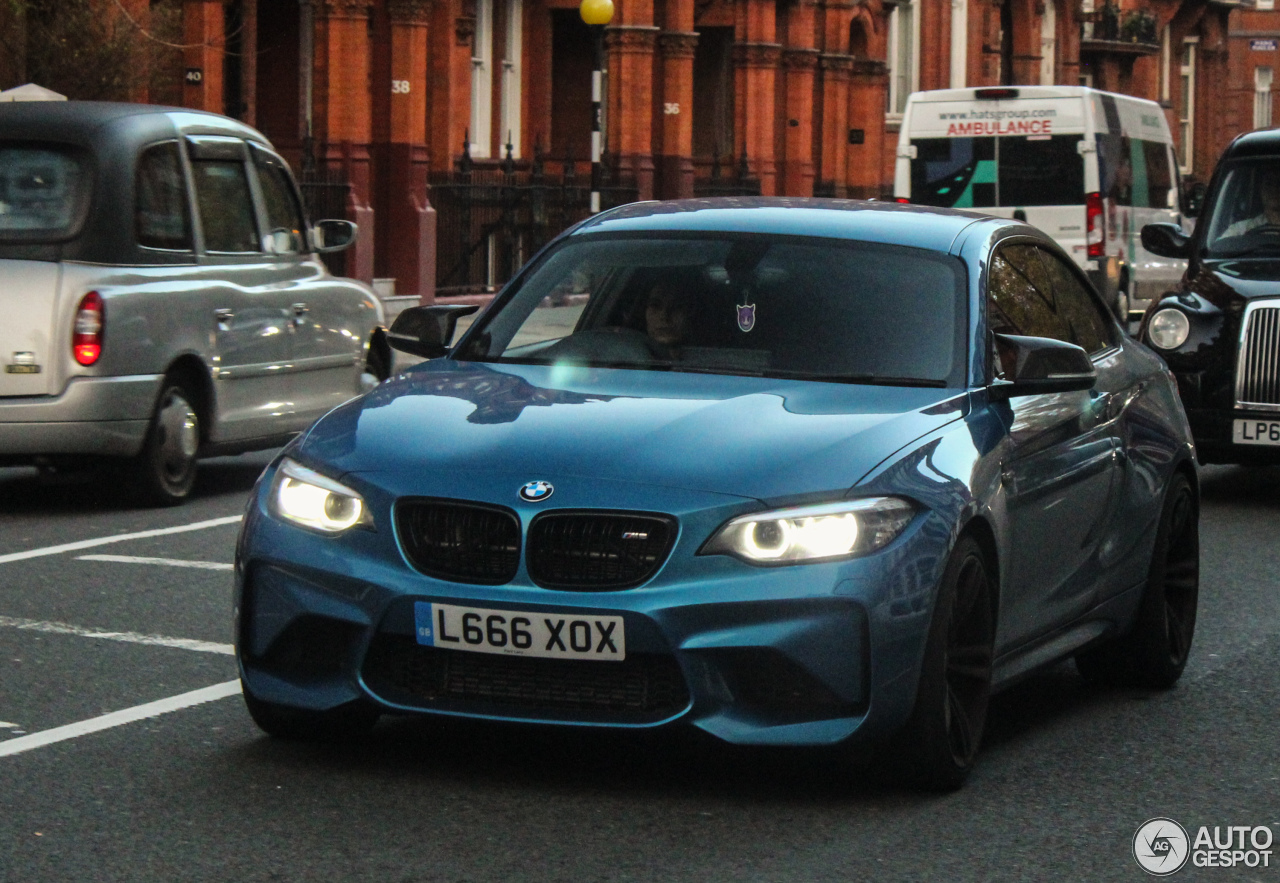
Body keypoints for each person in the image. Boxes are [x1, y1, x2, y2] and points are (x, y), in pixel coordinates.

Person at [1220, 166, 1280, 238]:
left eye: (1279, 184)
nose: (1274, 190)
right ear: (1261, 190)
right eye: (1268, 184)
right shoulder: (1240, 230)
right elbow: (1219, 246)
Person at [642, 277, 694, 357]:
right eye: (655, 305)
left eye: (676, 307)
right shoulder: (624, 361)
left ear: (690, 313)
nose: (664, 316)